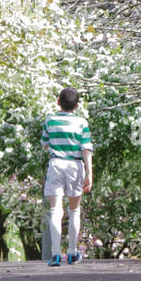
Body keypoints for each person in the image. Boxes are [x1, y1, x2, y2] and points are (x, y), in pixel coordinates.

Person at [40, 87, 92, 266]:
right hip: (75, 165)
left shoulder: (50, 120)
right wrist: (89, 173)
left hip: (56, 164)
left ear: (58, 102)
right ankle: (72, 252)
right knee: (74, 210)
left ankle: (55, 254)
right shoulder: (81, 122)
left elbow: (45, 144)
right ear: (77, 106)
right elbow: (86, 149)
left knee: (55, 210)